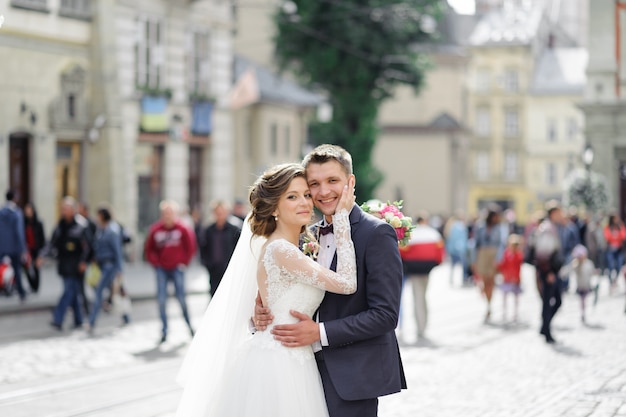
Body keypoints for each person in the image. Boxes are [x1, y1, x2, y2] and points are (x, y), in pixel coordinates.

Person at [176, 162, 357, 416]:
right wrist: (342, 221)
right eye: (292, 197)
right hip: (280, 362)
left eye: (306, 195)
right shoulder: (280, 249)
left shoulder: (292, 247)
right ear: (273, 208)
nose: (305, 202)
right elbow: (347, 283)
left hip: (292, 357)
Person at [254, 145, 406, 417]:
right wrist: (264, 311)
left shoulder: (377, 234)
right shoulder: (302, 237)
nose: (323, 192)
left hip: (352, 374)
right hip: (297, 371)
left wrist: (320, 333)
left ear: (350, 182)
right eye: (314, 184)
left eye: (332, 181)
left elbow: (385, 315)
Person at [144, 200, 196, 343]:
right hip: (162, 269)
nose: (168, 216)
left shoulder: (183, 229)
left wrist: (184, 263)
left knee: (181, 299)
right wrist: (156, 263)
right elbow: (149, 250)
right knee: (161, 300)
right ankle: (164, 331)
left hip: (177, 268)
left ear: (175, 214)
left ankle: (189, 326)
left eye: (170, 213)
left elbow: (190, 247)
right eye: (165, 213)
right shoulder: (155, 229)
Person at [46, 197, 93, 330]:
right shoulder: (60, 225)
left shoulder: (81, 225)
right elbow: (52, 243)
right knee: (72, 292)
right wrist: (44, 256)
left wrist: (85, 262)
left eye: (66, 209)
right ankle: (78, 319)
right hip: (64, 264)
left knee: (69, 291)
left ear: (73, 210)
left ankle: (58, 318)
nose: (63, 211)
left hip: (77, 265)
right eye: (62, 209)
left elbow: (89, 246)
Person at [400, 213, 445, 339]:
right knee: (423, 297)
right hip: (427, 269)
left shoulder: (411, 233)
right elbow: (440, 252)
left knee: (417, 297)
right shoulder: (433, 233)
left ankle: (420, 326)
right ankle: (423, 325)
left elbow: (402, 250)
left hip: (414, 270)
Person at [528, 202, 564, 344]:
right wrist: (548, 271)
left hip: (550, 270)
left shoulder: (550, 227)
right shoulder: (548, 228)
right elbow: (542, 253)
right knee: (551, 301)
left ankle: (544, 327)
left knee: (551, 301)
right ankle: (546, 329)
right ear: (553, 213)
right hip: (548, 270)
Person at [85, 206, 124, 334]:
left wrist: (119, 269)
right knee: (110, 292)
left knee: (99, 292)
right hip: (101, 266)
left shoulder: (112, 230)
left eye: (98, 215)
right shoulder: (101, 229)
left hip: (110, 266)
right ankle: (125, 316)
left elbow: (117, 250)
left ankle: (91, 322)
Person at [199, 200, 241, 297]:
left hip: (229, 270)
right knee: (214, 295)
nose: (220, 215)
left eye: (222, 212)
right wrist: (207, 264)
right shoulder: (208, 230)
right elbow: (203, 248)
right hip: (214, 270)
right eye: (217, 213)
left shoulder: (234, 229)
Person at [473, 207, 505, 322]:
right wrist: (474, 259)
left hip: (493, 255)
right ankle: (487, 300)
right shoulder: (480, 226)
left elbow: (501, 244)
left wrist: (498, 258)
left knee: (491, 281)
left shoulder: (500, 228)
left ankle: (489, 304)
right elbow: (475, 243)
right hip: (482, 254)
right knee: (484, 280)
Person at [0, 190, 28, 301]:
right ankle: (21, 293)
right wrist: (23, 248)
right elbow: (19, 232)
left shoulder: (1, 212)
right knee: (17, 270)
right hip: (14, 247)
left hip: (2, 246)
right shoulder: (16, 213)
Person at [560, 244, 596, 323]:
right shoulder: (575, 264)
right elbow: (568, 270)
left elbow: (592, 273)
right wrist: (561, 273)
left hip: (587, 285)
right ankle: (583, 313)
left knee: (584, 300)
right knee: (582, 300)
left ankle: (583, 313)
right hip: (580, 286)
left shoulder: (588, 264)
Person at [497, 234, 524, 322]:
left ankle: (515, 313)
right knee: (505, 296)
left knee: (515, 296)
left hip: (515, 279)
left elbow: (518, 267)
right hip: (507, 278)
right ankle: (504, 311)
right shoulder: (506, 254)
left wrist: (516, 277)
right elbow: (503, 265)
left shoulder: (518, 255)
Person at [23, 202, 46, 293]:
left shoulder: (38, 222)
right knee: (26, 267)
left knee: (36, 267)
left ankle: (36, 286)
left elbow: (42, 238)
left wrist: (42, 252)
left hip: (36, 248)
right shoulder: (24, 222)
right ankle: (32, 284)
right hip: (27, 248)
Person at [443, 210, 469, 286]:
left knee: (453, 265)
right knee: (463, 265)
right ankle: (464, 279)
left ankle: (451, 279)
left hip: (452, 249)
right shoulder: (460, 226)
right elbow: (462, 238)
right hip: (459, 249)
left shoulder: (450, 226)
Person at [603, 214, 626, 293]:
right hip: (610, 249)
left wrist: (620, 227)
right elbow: (608, 237)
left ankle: (615, 280)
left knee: (619, 265)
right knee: (610, 265)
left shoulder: (620, 227)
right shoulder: (608, 227)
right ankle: (611, 282)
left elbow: (623, 236)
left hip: (619, 249)